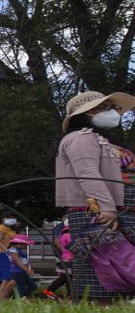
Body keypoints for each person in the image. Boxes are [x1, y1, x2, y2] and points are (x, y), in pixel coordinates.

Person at [55, 90, 135, 302]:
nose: (108, 112)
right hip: (93, 210)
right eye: (100, 108)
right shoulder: (80, 138)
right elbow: (87, 172)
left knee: (119, 266)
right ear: (82, 114)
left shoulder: (98, 139)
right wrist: (106, 206)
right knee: (101, 268)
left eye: (110, 107)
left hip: (109, 208)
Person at [0, 210, 19, 299]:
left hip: (8, 255)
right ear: (3, 219)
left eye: (13, 218)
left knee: (7, 278)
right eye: (9, 217)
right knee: (7, 278)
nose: (12, 219)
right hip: (1, 254)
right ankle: (2, 298)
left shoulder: (11, 229)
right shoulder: (0, 228)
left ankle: (2, 298)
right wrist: (7, 251)